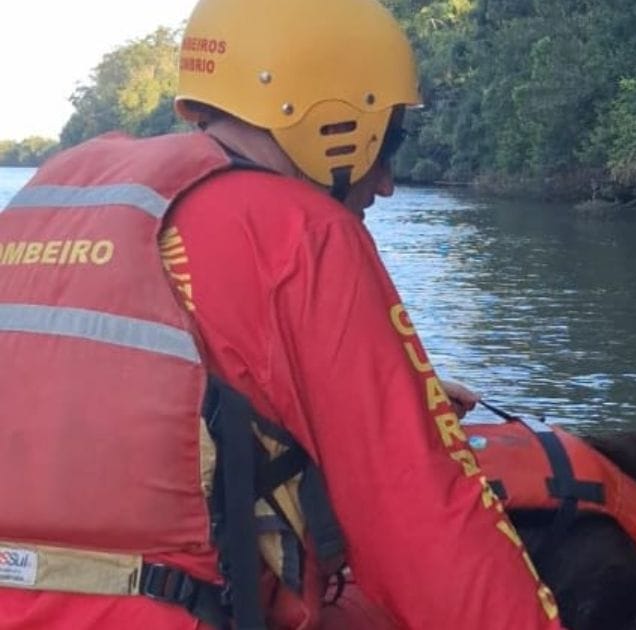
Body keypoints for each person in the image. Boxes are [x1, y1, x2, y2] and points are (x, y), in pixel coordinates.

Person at [0, 0, 563, 628]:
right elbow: (424, 518)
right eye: (391, 139)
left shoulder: (60, 191)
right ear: (334, 121)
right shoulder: (303, 233)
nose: (386, 184)